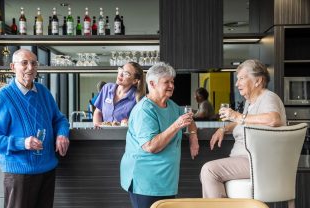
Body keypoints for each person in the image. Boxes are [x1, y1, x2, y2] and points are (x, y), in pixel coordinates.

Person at [200, 59, 286, 198]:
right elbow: (246, 120)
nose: (236, 83)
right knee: (209, 171)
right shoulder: (250, 102)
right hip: (247, 159)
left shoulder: (268, 97)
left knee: (209, 170)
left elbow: (273, 119)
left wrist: (237, 115)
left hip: (258, 160)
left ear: (258, 81)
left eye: (241, 78)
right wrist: (225, 128)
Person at [120, 62, 200, 208]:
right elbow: (151, 146)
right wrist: (177, 125)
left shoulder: (172, 106)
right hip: (145, 181)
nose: (171, 85)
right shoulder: (144, 110)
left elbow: (189, 119)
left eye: (172, 82)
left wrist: (193, 137)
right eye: (166, 82)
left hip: (167, 181)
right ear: (152, 83)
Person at [0, 48, 70, 208]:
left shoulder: (43, 91)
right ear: (12, 67)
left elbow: (60, 119)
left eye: (33, 63)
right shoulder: (3, 96)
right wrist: (23, 143)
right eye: (24, 63)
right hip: (20, 173)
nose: (30, 68)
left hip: (47, 169)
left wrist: (62, 134)